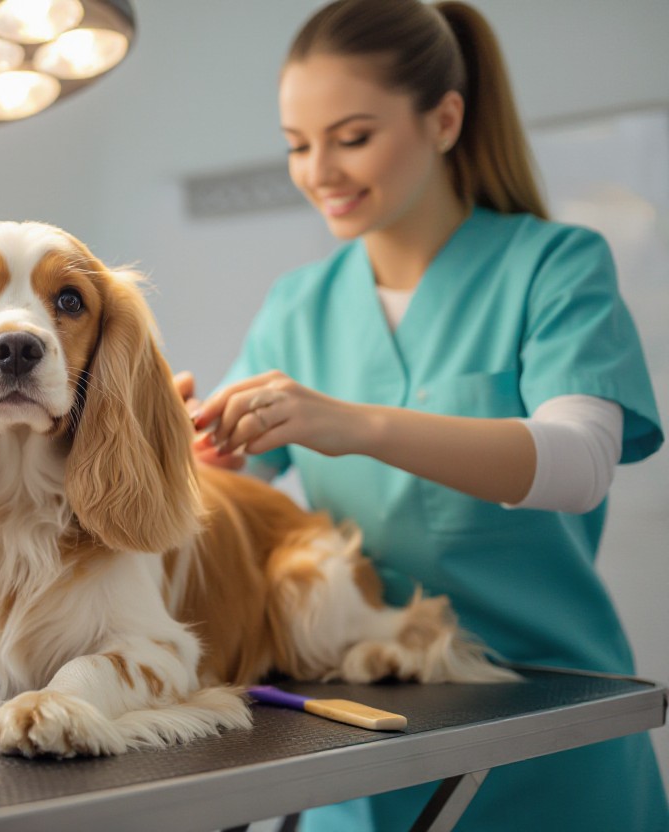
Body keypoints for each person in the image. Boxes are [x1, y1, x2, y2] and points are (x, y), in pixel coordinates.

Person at [176, 1, 668, 830]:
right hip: (357, 739)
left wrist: (356, 424)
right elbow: (227, 490)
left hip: (543, 738)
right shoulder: (298, 307)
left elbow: (581, 463)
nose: (318, 171)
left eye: (351, 137)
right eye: (297, 144)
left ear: (444, 120)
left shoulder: (555, 264)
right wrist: (183, 451)